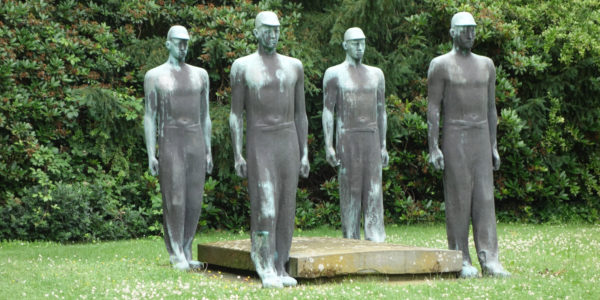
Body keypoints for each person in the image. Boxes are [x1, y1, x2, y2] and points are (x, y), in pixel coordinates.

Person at [229, 11, 309, 288]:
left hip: (288, 139)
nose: (272, 35)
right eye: (267, 30)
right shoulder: (242, 67)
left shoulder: (294, 66)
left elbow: (301, 114)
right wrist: (237, 152)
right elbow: (235, 114)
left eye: (276, 30)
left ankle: (279, 264)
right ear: (255, 33)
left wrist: (305, 150)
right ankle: (264, 265)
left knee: (286, 207)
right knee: (266, 207)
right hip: (260, 139)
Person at [427, 12, 510, 278]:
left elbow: (490, 107)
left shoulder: (487, 65)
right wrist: (433, 147)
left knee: (485, 199)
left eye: (473, 30)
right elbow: (433, 108)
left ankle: (490, 259)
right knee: (459, 199)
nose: (470, 34)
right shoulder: (440, 65)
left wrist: (493, 145)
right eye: (464, 30)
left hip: (480, 136)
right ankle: (461, 257)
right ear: (452, 32)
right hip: (455, 135)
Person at [143, 25, 213, 271]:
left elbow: (205, 116)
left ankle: (186, 248)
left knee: (194, 199)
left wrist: (208, 150)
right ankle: (175, 253)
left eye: (186, 42)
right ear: (168, 43)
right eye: (178, 42)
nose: (183, 46)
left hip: (195, 139)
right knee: (174, 198)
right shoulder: (155, 76)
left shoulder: (200, 75)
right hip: (170, 139)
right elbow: (150, 116)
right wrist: (151, 152)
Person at [322, 27, 388, 242]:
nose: (360, 47)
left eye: (362, 42)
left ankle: (375, 234)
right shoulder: (334, 74)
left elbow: (381, 110)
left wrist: (384, 144)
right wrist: (329, 145)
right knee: (350, 190)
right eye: (355, 43)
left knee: (374, 189)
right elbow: (328, 110)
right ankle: (351, 237)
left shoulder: (376, 74)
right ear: (345, 45)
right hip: (346, 137)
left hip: (371, 136)